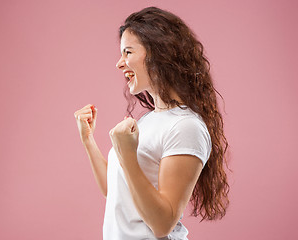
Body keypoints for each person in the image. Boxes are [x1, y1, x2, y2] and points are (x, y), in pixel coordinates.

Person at [74, 6, 229, 240]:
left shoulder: (186, 126)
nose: (119, 63)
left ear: (158, 53)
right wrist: (88, 141)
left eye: (128, 52)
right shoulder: (149, 120)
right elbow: (116, 190)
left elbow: (162, 224)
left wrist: (127, 154)